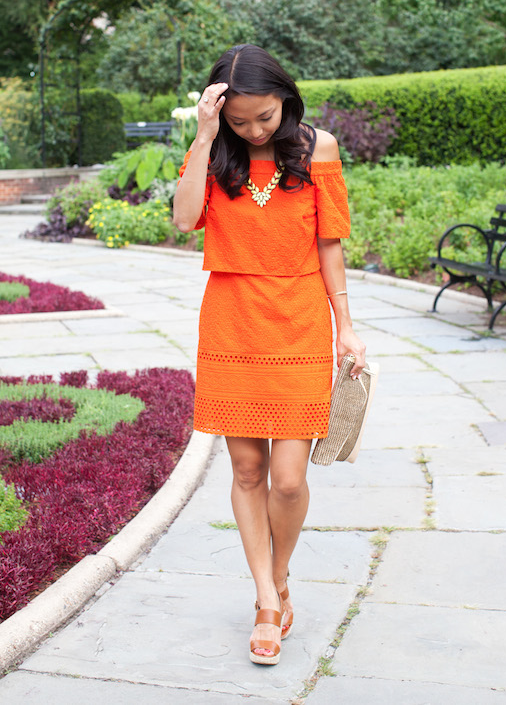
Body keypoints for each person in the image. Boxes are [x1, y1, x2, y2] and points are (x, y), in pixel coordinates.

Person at [173, 44, 366, 666]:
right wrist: (206, 136)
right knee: (247, 472)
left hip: (300, 320)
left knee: (288, 479)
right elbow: (183, 221)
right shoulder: (215, 150)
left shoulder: (319, 149)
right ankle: (265, 599)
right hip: (232, 323)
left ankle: (279, 576)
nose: (255, 130)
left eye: (266, 116)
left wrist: (348, 328)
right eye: (241, 121)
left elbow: (329, 244)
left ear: (286, 98)